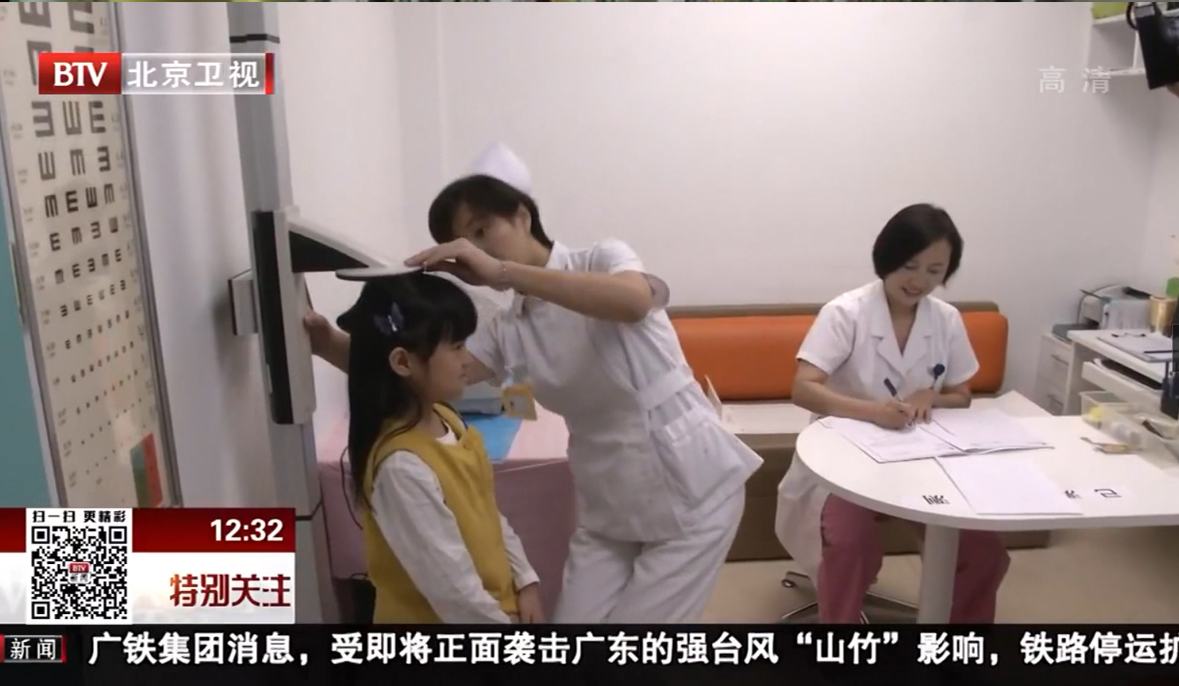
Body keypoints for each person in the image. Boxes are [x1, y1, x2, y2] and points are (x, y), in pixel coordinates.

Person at [307, 144, 762, 623]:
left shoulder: (602, 259)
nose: (477, 252)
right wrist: (326, 342)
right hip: (608, 507)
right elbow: (421, 370)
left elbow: (632, 302)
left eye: (483, 232)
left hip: (690, 491)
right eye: (464, 245)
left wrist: (504, 273)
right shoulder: (510, 327)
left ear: (523, 216)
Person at [773, 203, 1010, 624]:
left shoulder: (946, 320)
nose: (919, 281)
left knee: (984, 552)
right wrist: (872, 412)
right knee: (851, 545)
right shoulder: (845, 313)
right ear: (886, 259)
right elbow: (803, 388)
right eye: (909, 266)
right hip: (846, 459)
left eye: (935, 271)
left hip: (922, 459)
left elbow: (962, 395)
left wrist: (930, 396)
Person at [336, 270, 543, 624]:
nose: (468, 359)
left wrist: (525, 582)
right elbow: (454, 593)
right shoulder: (402, 467)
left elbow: (488, 514)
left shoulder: (447, 419)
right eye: (458, 346)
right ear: (403, 362)